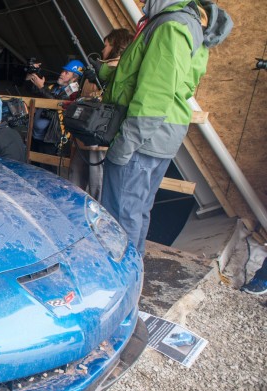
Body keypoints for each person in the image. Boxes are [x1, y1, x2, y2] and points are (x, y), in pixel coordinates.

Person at [101, 0, 231, 255]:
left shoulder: (172, 25)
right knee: (136, 210)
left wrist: (125, 144)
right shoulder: (185, 22)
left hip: (142, 139)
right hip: (158, 137)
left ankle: (120, 278)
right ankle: (132, 268)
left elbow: (155, 94)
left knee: (121, 214)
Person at [70, 29, 133, 200]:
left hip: (98, 131)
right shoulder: (106, 67)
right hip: (86, 130)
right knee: (79, 172)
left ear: (116, 46)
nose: (103, 50)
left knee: (95, 177)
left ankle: (96, 211)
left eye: (106, 46)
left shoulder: (117, 69)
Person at [28, 60, 84, 158]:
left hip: (51, 140)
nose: (61, 74)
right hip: (36, 136)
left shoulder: (74, 91)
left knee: (47, 170)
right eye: (63, 71)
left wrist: (41, 87)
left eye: (66, 73)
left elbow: (57, 103)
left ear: (74, 78)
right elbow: (34, 90)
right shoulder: (55, 86)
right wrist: (34, 72)